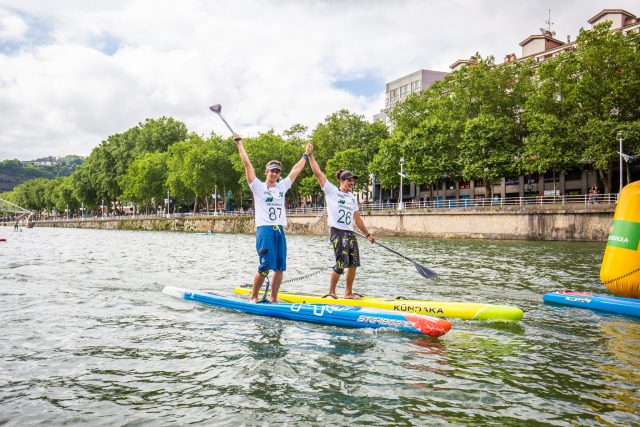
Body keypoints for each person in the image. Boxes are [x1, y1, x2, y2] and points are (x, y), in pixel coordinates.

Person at [233, 133, 312, 303]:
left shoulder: (282, 186)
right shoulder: (257, 187)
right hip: (265, 230)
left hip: (279, 230)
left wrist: (305, 155)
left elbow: (296, 170)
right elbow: (247, 164)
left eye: (277, 171)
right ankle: (253, 297)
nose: (275, 174)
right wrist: (240, 144)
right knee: (264, 268)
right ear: (266, 172)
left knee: (280, 268)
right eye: (272, 171)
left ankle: (274, 299)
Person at [306, 144, 374, 299]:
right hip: (337, 232)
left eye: (353, 181)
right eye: (349, 180)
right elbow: (318, 173)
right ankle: (331, 292)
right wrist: (310, 156)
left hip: (350, 232)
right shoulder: (332, 191)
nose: (352, 183)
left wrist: (368, 234)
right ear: (342, 181)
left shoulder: (352, 198)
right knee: (341, 263)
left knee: (354, 263)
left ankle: (348, 293)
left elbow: (357, 218)